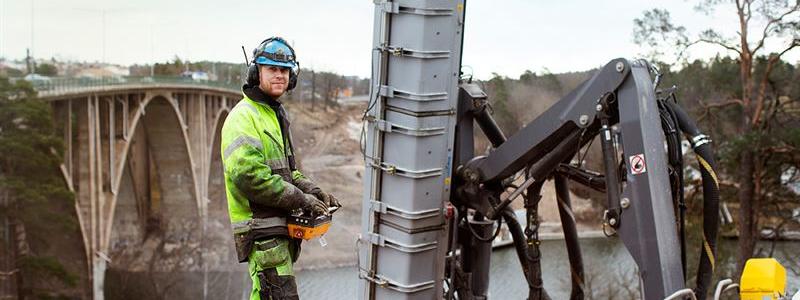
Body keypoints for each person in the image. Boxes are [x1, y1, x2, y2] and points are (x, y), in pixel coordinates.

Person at [220, 37, 341, 300]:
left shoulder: (275, 116)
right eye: (271, 69)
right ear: (256, 73)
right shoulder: (243, 118)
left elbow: (286, 172)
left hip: (278, 233)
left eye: (284, 71)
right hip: (262, 232)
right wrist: (301, 199)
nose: (279, 75)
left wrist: (313, 191)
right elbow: (250, 177)